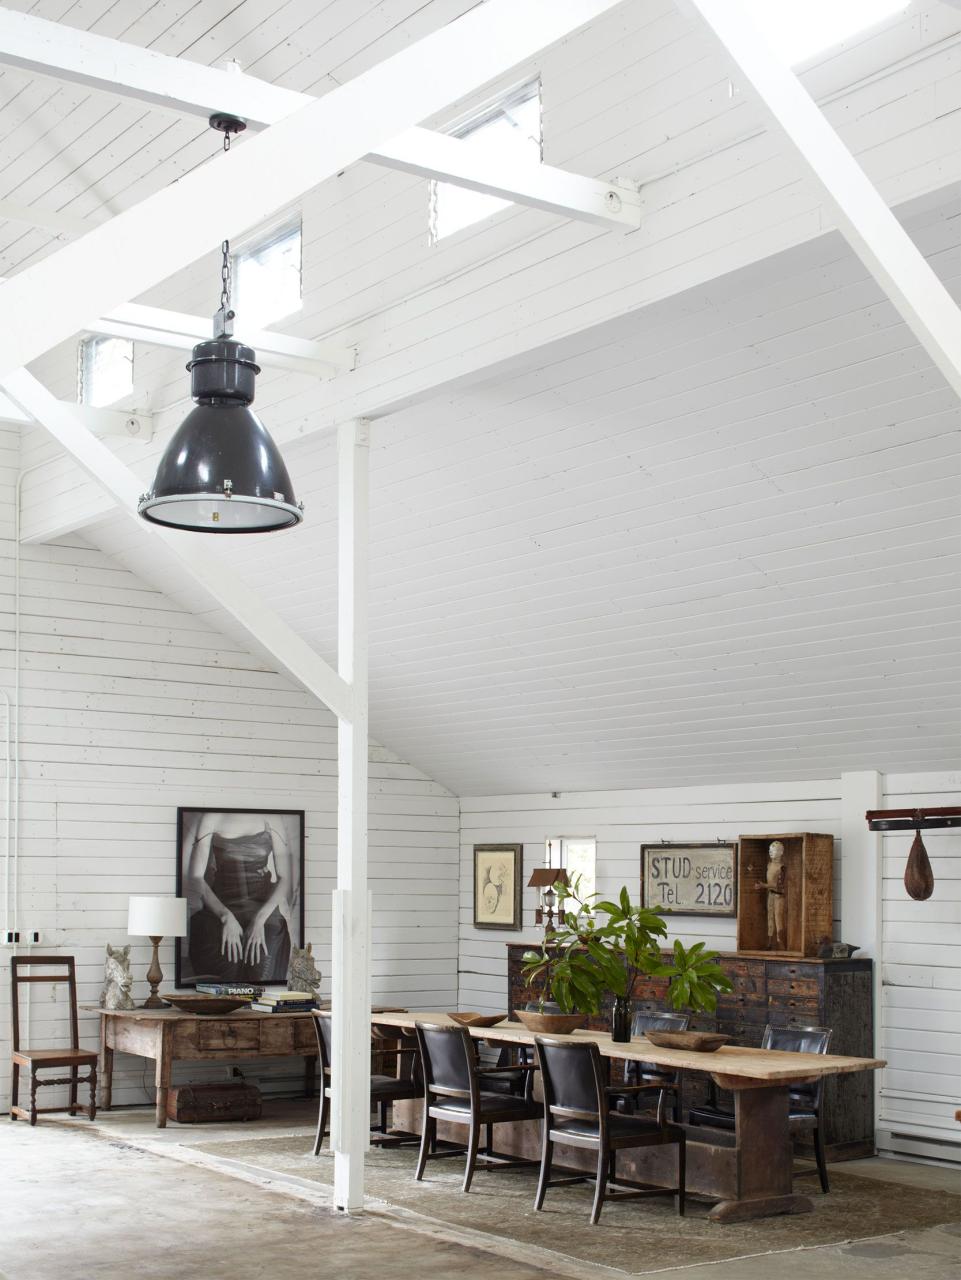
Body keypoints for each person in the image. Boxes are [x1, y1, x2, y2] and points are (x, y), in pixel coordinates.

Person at [184, 811, 295, 983]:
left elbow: (285, 878)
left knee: (261, 970)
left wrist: (259, 921)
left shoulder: (272, 818)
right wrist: (226, 916)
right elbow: (197, 877)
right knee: (228, 967)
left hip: (263, 907)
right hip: (221, 905)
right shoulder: (212, 818)